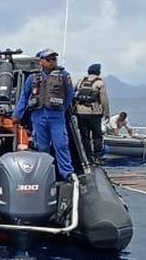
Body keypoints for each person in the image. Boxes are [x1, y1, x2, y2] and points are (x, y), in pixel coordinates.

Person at [13, 48, 75, 179]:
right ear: (41, 61)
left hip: (56, 116)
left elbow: (70, 95)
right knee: (42, 146)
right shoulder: (33, 78)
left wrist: (62, 108)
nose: (52, 62)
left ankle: (66, 173)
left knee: (61, 144)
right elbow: (24, 97)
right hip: (38, 115)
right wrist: (17, 115)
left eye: (54, 59)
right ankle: (44, 173)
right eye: (48, 59)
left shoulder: (63, 76)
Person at [74, 63, 110, 163]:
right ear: (98, 71)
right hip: (94, 113)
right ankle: (97, 157)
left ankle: (87, 156)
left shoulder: (81, 81)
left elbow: (73, 93)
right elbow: (104, 100)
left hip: (80, 112)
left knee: (84, 135)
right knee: (97, 135)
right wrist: (107, 113)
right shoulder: (99, 83)